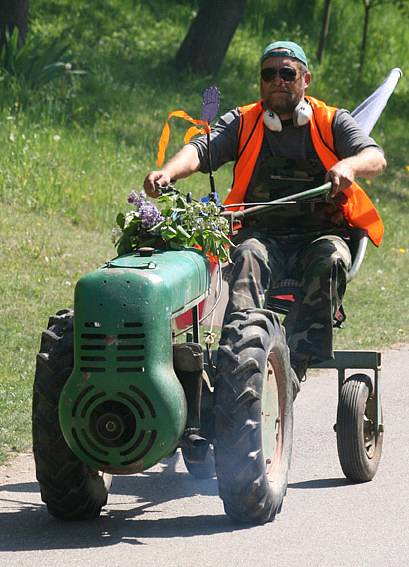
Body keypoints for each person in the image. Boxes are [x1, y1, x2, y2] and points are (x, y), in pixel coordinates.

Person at [144, 40, 386, 395]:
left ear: (306, 79)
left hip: (319, 236)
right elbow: (198, 150)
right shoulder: (243, 121)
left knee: (332, 258)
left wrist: (349, 164)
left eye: (287, 73)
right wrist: (168, 174)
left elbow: (375, 158)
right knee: (245, 257)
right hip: (262, 236)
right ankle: (237, 361)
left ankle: (292, 365)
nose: (278, 80)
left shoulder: (331, 120)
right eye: (269, 74)